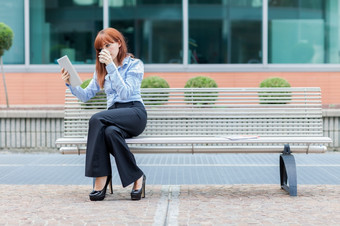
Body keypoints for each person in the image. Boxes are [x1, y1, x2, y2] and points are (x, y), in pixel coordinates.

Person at [60, 28, 147, 201]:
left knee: (96, 118)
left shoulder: (134, 65)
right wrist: (71, 84)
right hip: (113, 117)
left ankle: (100, 177)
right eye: (101, 48)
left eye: (108, 45)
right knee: (109, 132)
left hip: (134, 113)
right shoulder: (101, 70)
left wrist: (112, 67)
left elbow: (125, 94)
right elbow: (85, 96)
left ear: (119, 43)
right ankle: (137, 177)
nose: (105, 50)